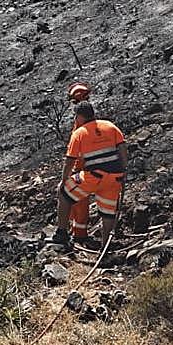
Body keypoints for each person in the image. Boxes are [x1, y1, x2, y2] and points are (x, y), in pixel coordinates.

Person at [52, 101, 127, 256]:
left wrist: (64, 180)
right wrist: (123, 170)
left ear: (79, 116)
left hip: (93, 176)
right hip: (114, 178)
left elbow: (70, 160)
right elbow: (122, 149)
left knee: (64, 194)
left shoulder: (79, 133)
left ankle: (62, 233)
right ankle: (104, 247)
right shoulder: (110, 126)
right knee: (108, 213)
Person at [65, 82, 96, 246]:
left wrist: (70, 172)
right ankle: (77, 231)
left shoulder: (81, 121)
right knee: (76, 201)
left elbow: (76, 150)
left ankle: (79, 233)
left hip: (83, 167)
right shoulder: (89, 116)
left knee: (77, 200)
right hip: (87, 166)